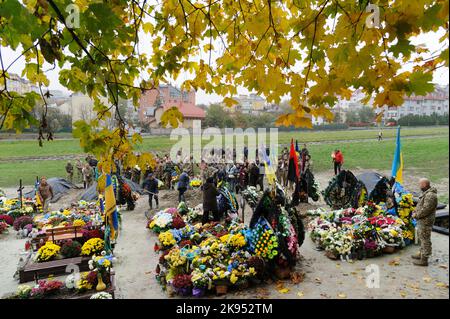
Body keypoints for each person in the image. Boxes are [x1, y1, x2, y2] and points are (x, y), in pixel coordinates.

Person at [411, 178, 438, 266]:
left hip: (425, 221)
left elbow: (426, 209)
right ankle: (421, 253)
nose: (419, 186)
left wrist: (416, 215)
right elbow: (421, 205)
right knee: (422, 237)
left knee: (425, 239)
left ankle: (424, 259)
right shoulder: (426, 193)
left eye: (420, 184)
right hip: (422, 220)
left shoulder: (430, 195)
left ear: (424, 185)